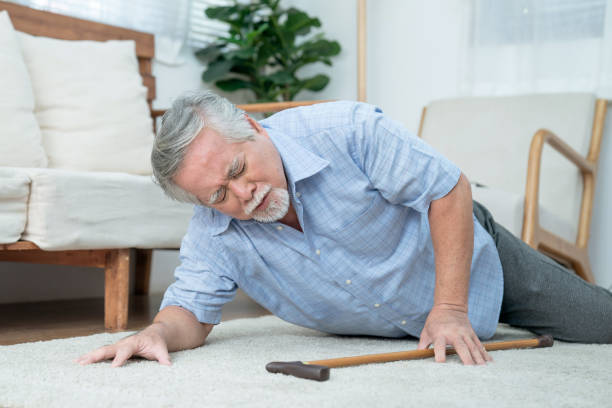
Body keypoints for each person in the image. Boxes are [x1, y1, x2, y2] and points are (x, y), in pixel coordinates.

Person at [77, 91, 612, 368]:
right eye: (217, 194)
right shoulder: (213, 230)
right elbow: (189, 312)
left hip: (466, 259)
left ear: (255, 127)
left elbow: (447, 191)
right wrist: (155, 333)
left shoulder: (347, 130)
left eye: (238, 171)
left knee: (600, 323)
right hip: (389, 312)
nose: (242, 195)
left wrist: (450, 309)